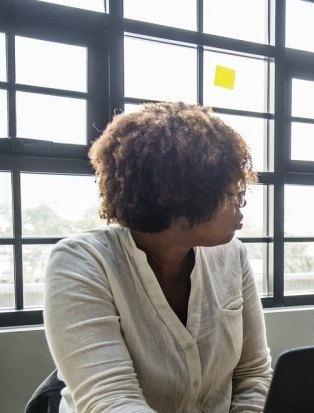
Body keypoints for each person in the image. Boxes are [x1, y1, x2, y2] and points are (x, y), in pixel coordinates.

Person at [43, 102, 272, 412]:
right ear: (185, 198)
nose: (241, 206)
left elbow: (253, 376)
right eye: (233, 194)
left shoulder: (232, 255)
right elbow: (110, 401)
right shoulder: (82, 262)